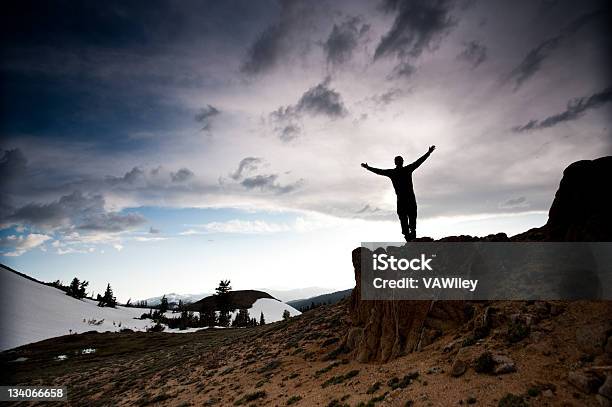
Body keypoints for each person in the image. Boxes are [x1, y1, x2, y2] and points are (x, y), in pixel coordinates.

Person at [362, 146, 435, 241]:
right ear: (398, 162)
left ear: (398, 162)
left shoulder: (398, 171)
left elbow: (419, 161)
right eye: (399, 160)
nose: (400, 161)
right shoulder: (400, 171)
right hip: (405, 199)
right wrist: (368, 167)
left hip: (405, 199)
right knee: (406, 217)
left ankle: (410, 235)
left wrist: (368, 168)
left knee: (409, 217)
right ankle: (409, 235)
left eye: (399, 160)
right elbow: (379, 171)